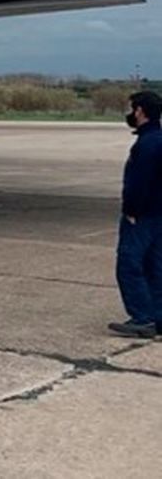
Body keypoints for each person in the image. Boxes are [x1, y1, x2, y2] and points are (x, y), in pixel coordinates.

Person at [110, 90, 162, 338]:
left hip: (143, 216)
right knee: (155, 266)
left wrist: (131, 210)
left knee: (129, 264)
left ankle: (142, 317)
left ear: (140, 110)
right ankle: (157, 317)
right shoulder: (159, 139)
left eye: (132, 109)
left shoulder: (146, 144)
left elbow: (139, 182)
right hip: (159, 214)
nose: (130, 114)